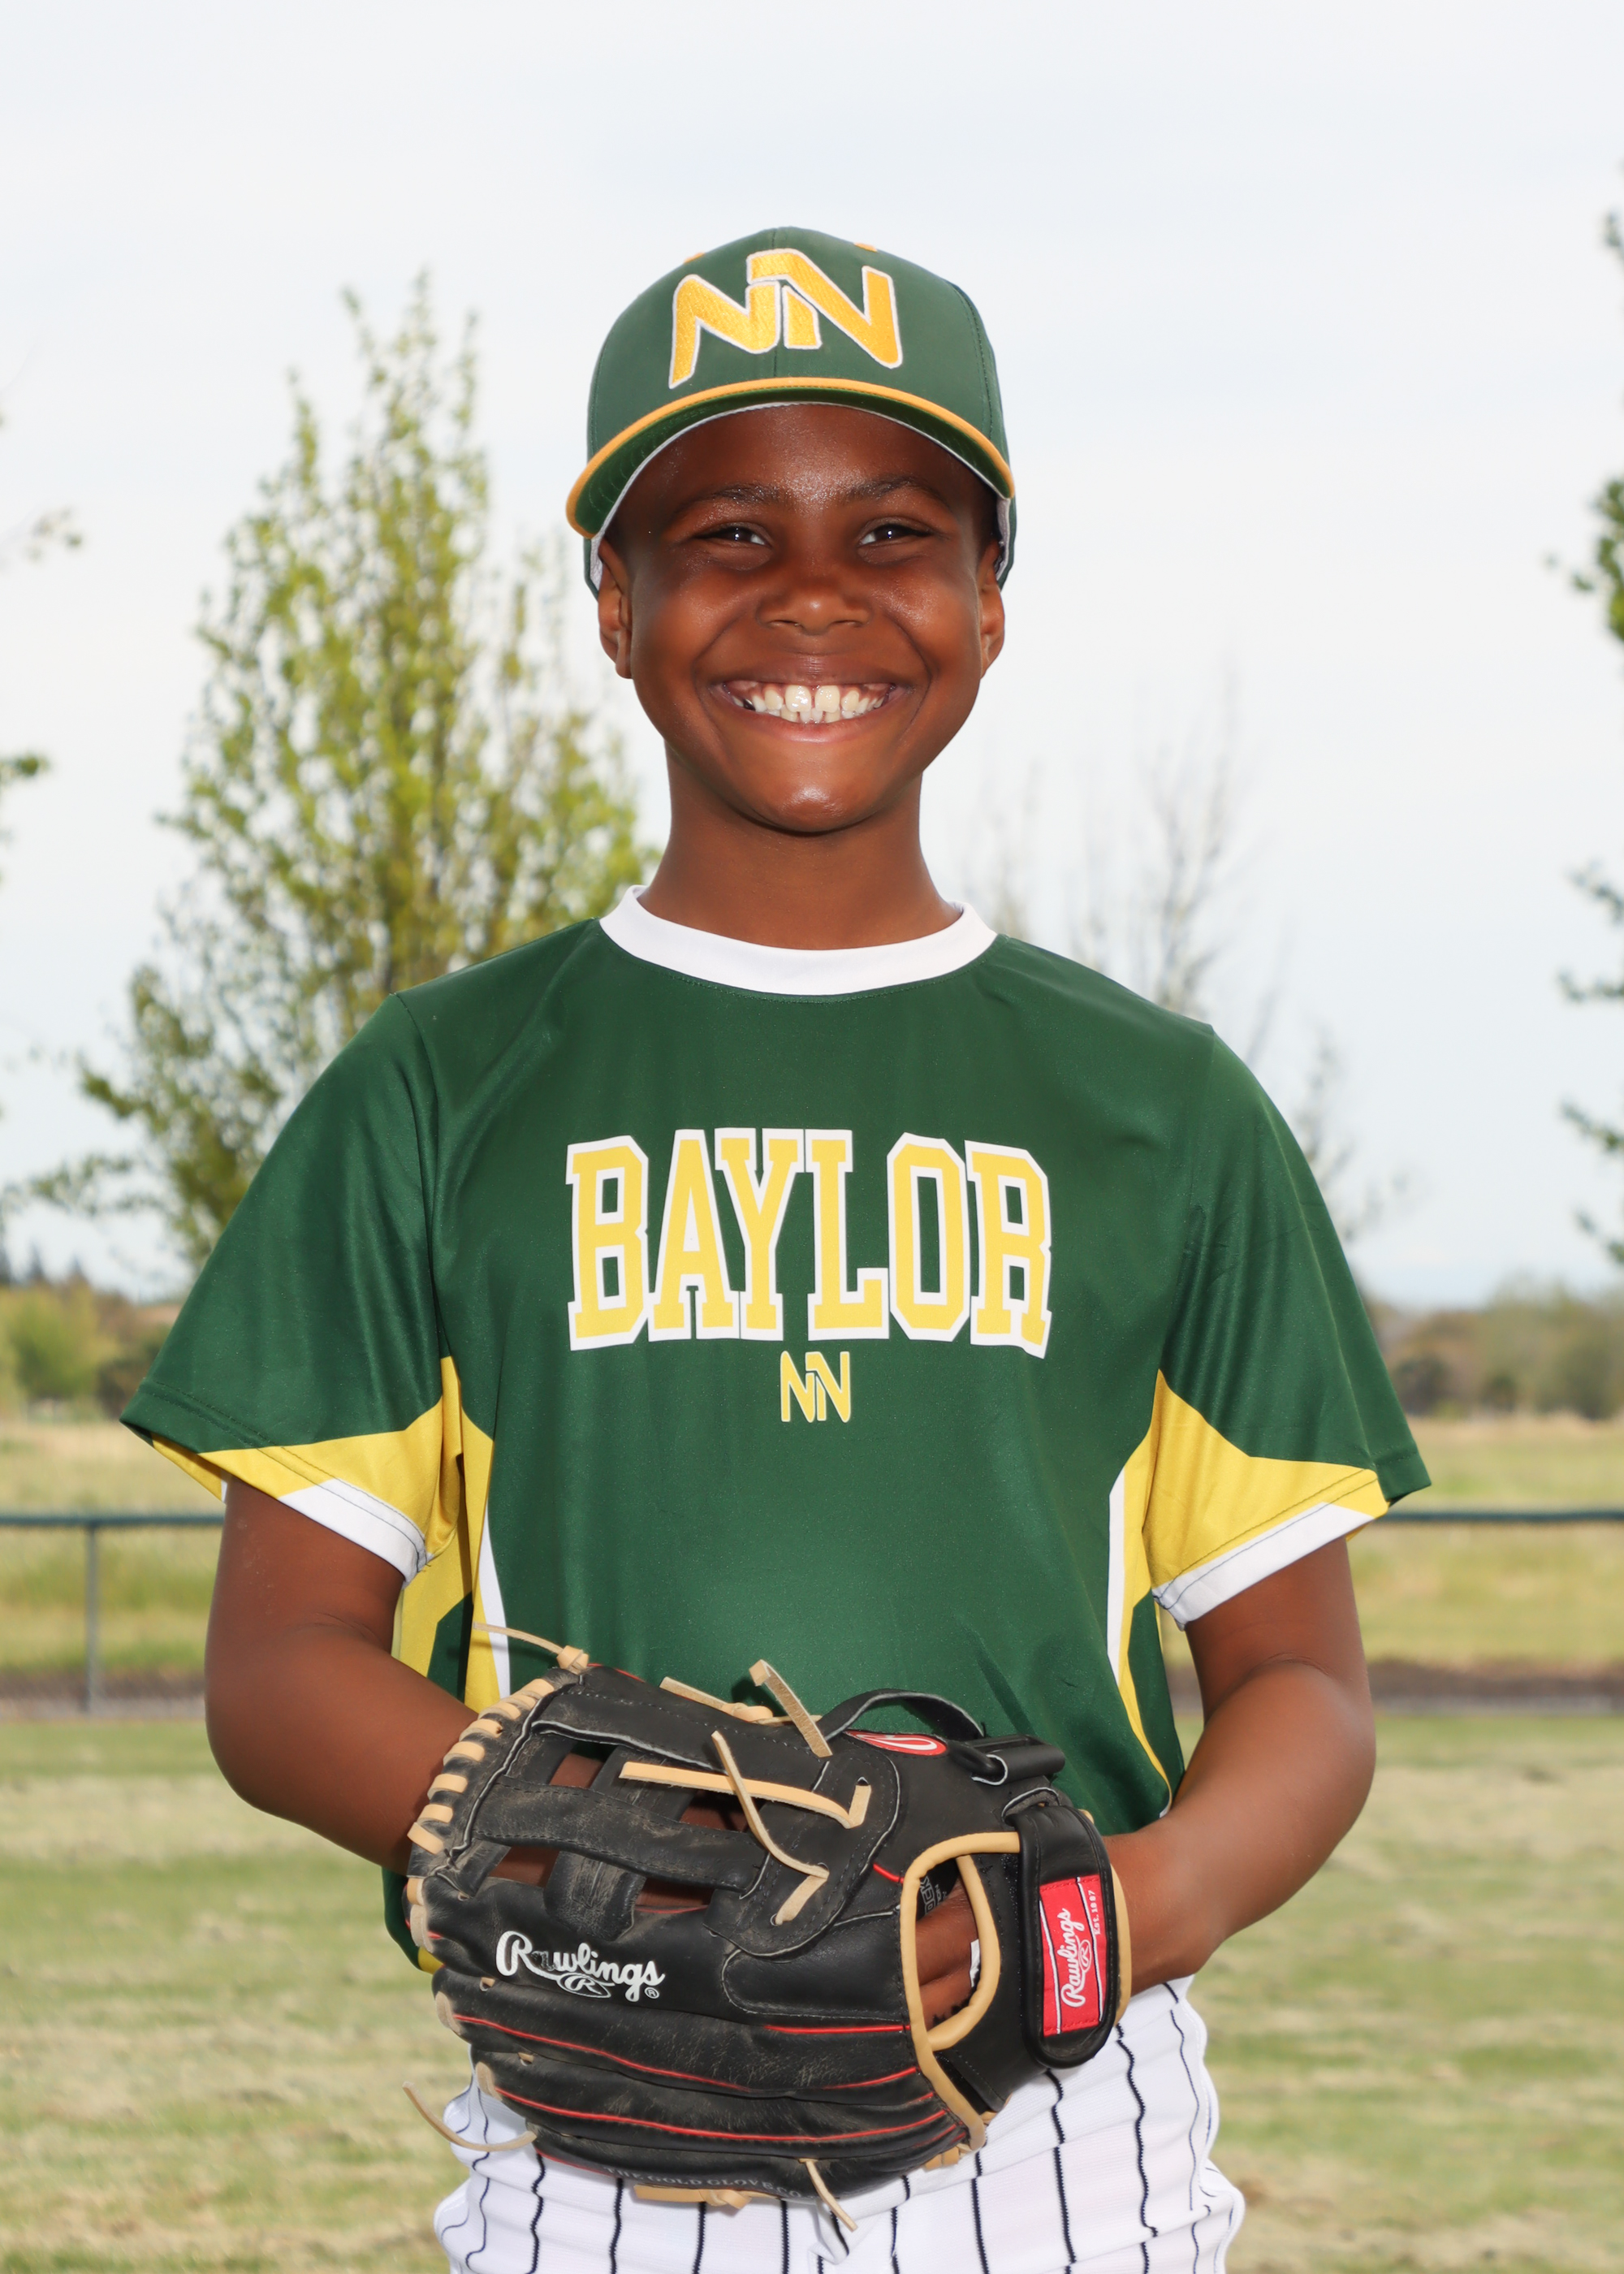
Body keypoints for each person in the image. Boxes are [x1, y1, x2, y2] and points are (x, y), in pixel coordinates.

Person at [124, 226, 1427, 2272]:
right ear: (615, 601)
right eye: (728, 533)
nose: (813, 596)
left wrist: (1086, 1919)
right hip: (598, 2096)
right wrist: (645, 1863)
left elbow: (1303, 1684)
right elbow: (278, 1669)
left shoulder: (1159, 1106)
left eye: (894, 532)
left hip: (1055, 2120)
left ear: (989, 599)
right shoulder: (437, 1087)